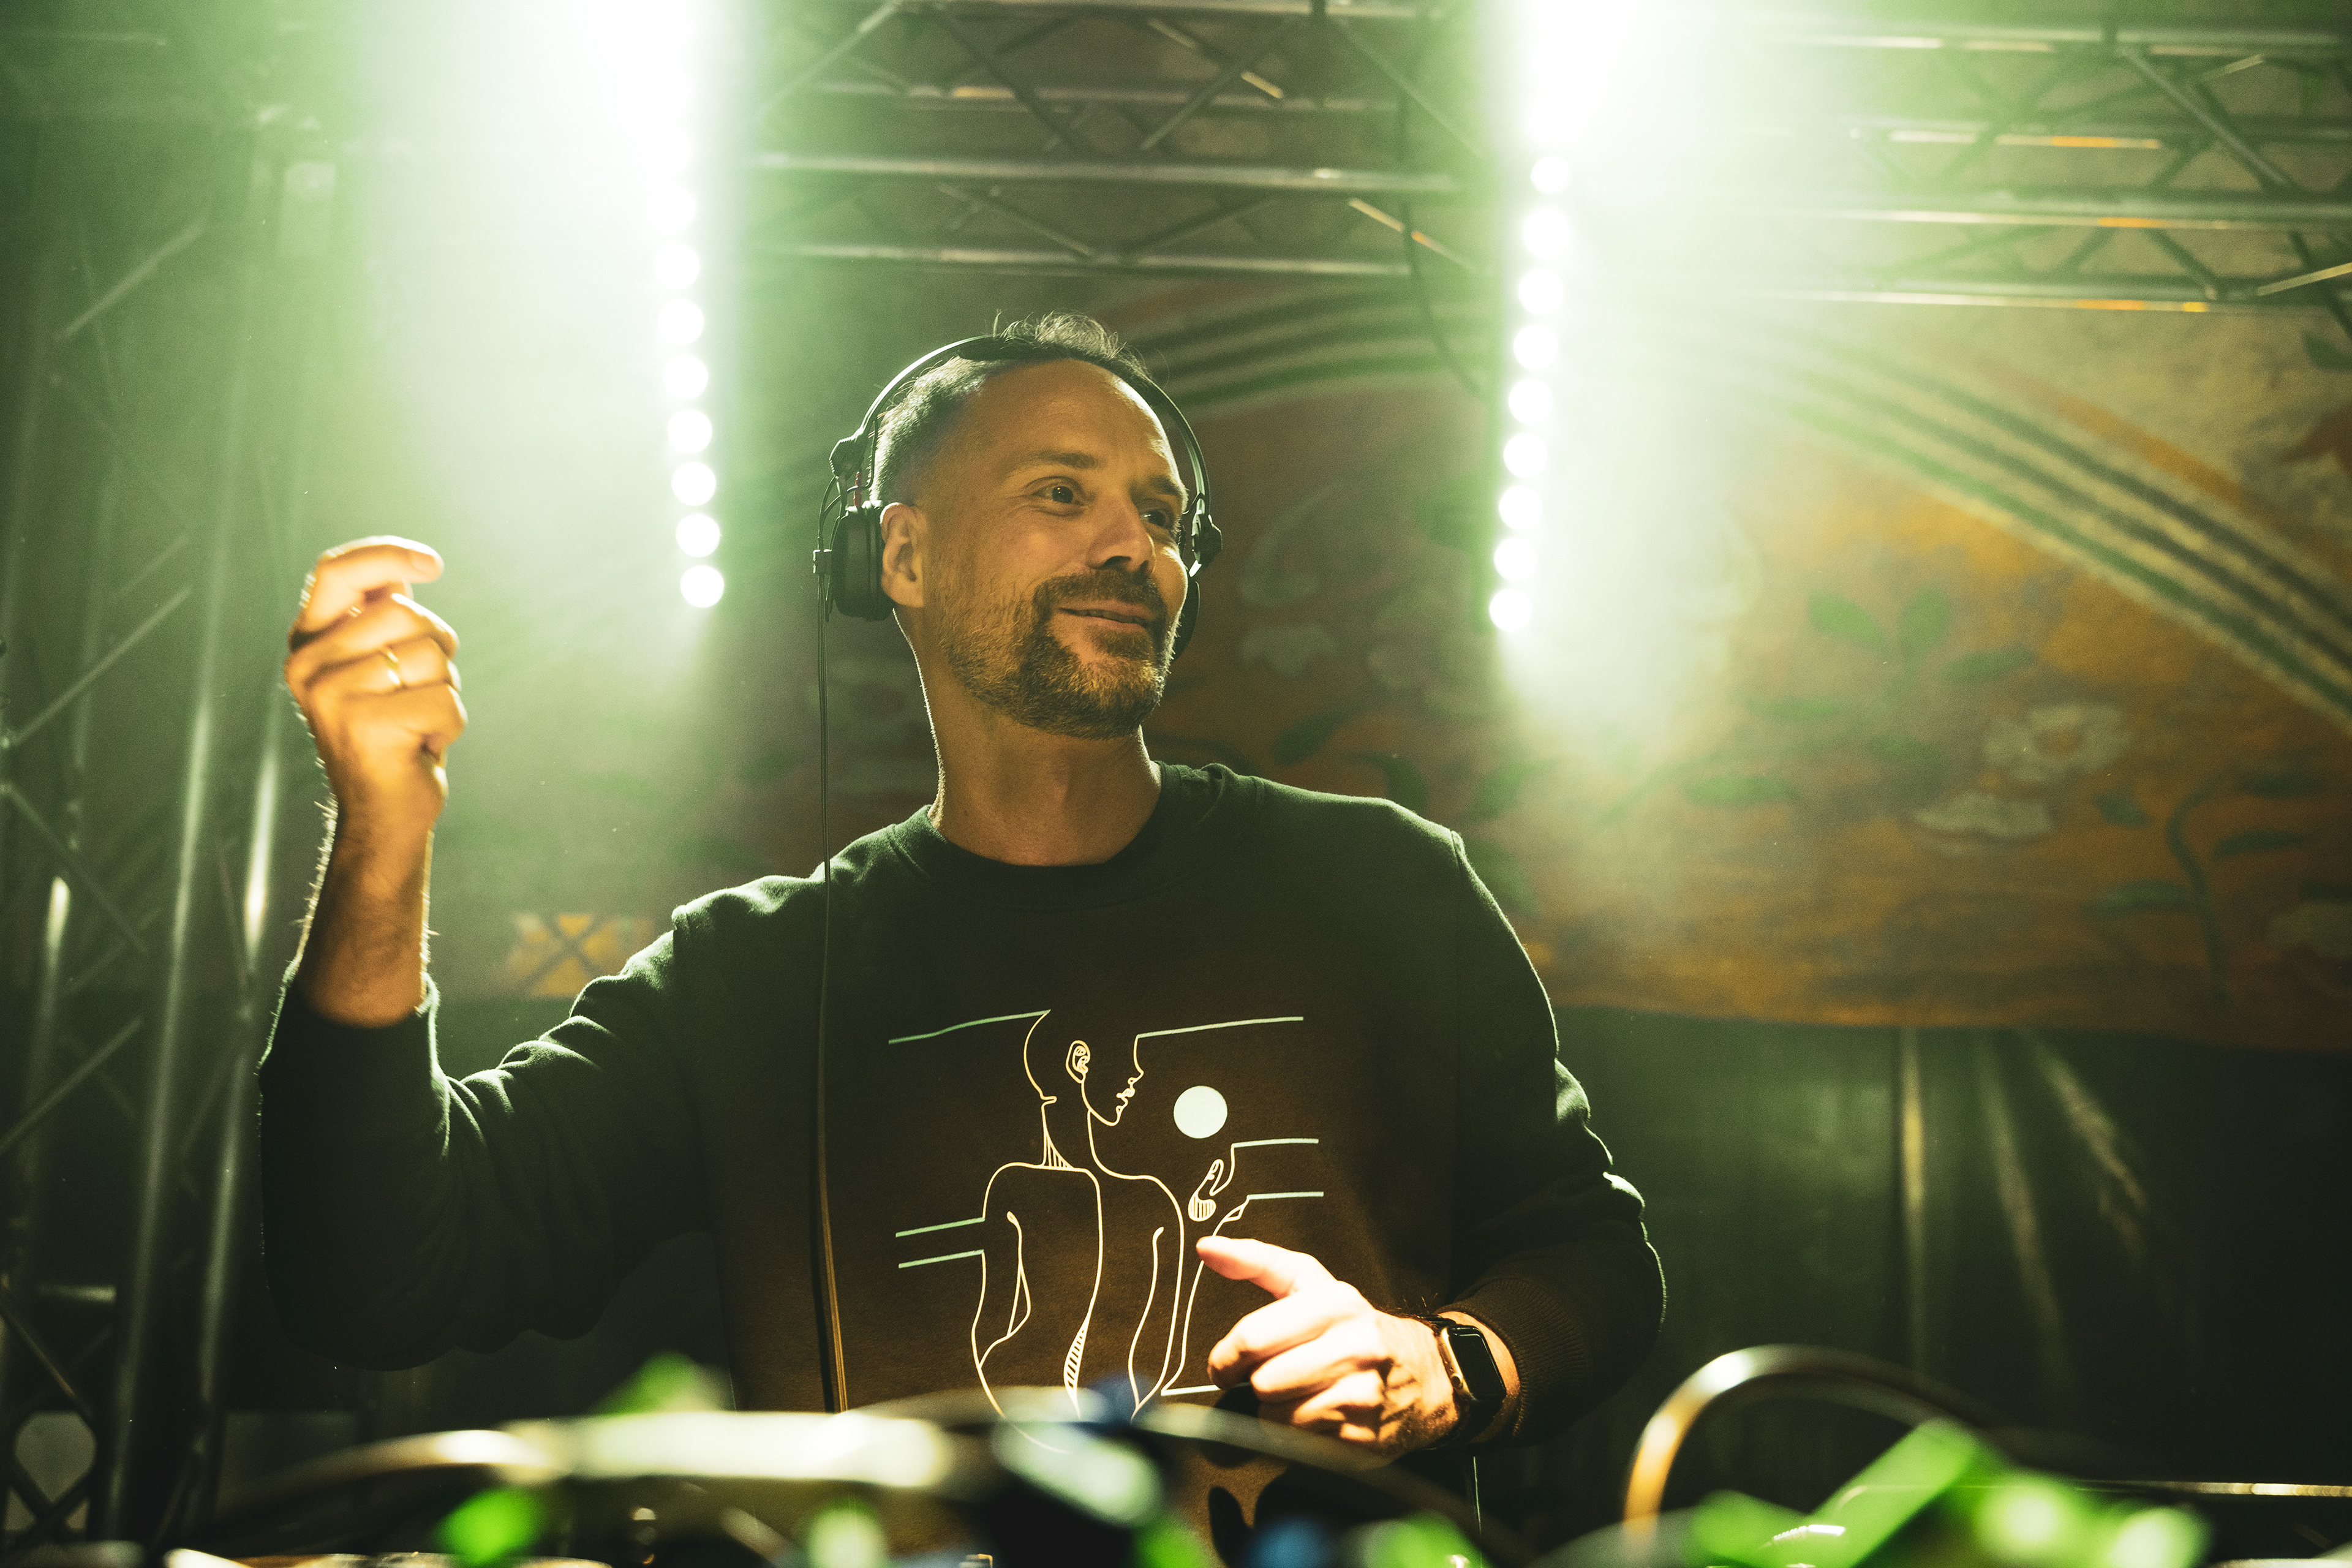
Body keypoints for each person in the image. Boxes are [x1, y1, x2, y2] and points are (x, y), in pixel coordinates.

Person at [261, 311, 1664, 1556]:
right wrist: (384, 831)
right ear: (903, 556)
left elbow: (1596, 1257)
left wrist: (1443, 1363)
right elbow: (375, 1273)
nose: (1135, 545)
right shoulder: (751, 981)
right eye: (1063, 492)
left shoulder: (1385, 886)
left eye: (1164, 515)